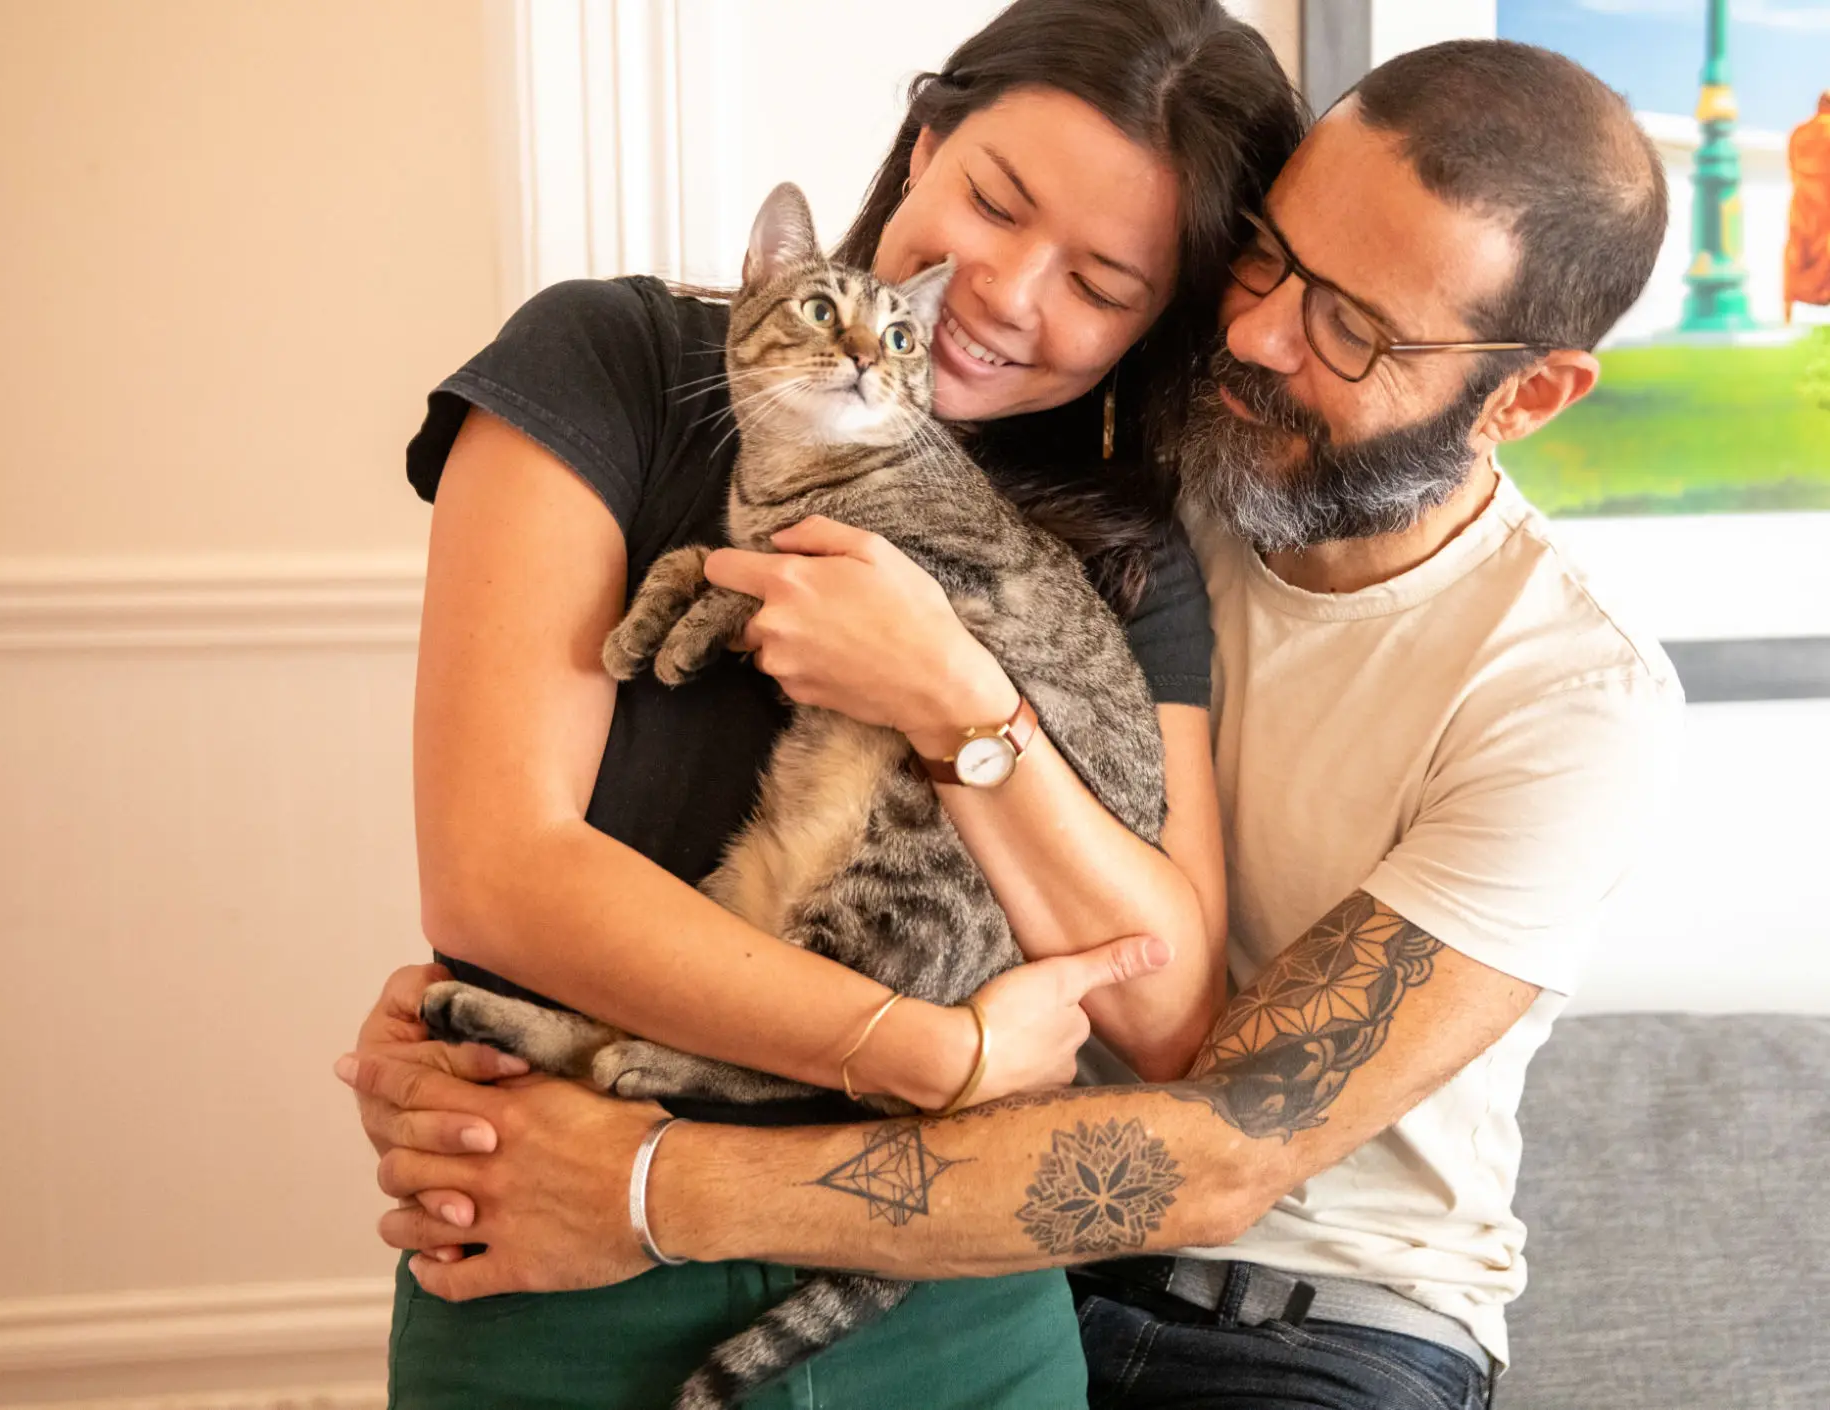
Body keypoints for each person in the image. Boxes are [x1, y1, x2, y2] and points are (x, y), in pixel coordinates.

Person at [345, 38, 1687, 1410]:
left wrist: (651, 1176)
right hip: (992, 1236)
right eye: (1264, 262)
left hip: (1285, 1314)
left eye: (1351, 326)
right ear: (925, 141)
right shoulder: (1178, 482)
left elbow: (1211, 1123)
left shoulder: (1549, 694)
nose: (1258, 336)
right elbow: (501, 863)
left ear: (1526, 394)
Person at [365, 1, 1304, 1405]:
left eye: (1102, 284)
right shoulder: (609, 363)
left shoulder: (1122, 549)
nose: (1003, 292)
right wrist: (938, 1051)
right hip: (544, 1243)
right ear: (923, 141)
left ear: (1152, 328)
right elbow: (497, 872)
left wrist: (953, 694)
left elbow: (1162, 1006)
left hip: (948, 1307)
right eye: (993, 198)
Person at [1785, 91, 1830, 323]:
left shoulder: (1799, 133)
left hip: (1803, 206)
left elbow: (1792, 168)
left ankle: (1789, 315)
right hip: (1827, 209)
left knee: (1797, 257)